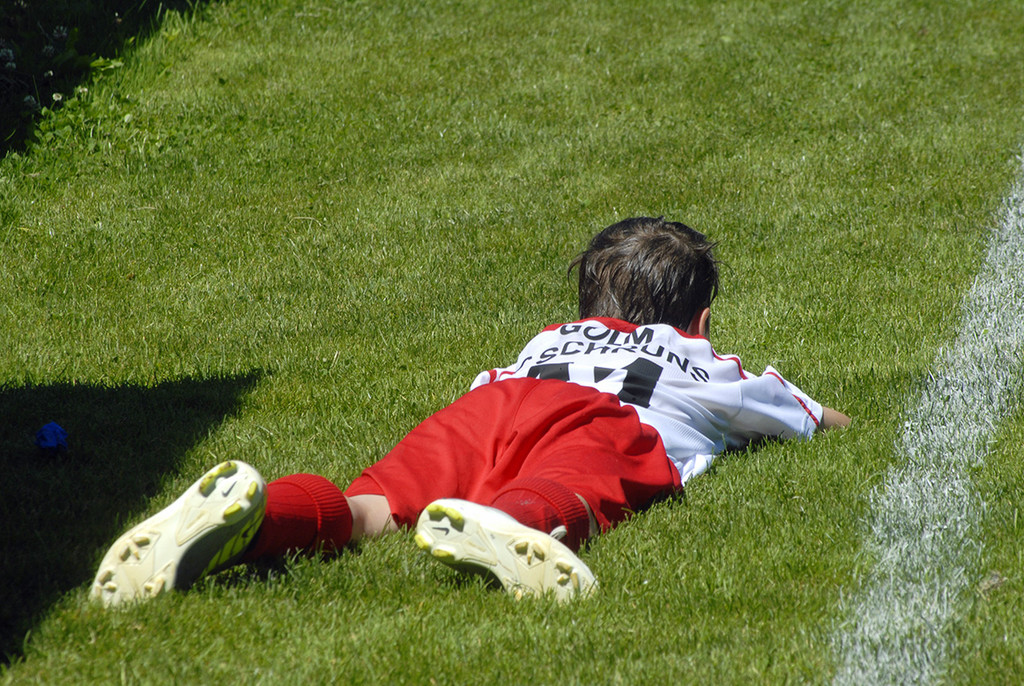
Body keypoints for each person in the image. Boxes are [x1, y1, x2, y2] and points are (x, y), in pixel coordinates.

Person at [91, 216, 850, 607]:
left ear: (585, 305)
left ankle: (263, 517)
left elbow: (501, 383)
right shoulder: (702, 360)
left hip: (491, 403)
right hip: (603, 418)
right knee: (574, 478)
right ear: (702, 321)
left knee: (370, 509)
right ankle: (516, 522)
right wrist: (836, 418)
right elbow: (811, 417)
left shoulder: (547, 339)